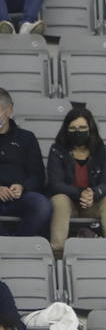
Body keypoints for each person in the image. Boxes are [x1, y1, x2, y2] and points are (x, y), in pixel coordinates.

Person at [46, 106, 106, 252]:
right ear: (66, 129)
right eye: (72, 128)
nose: (77, 132)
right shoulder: (57, 150)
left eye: (82, 127)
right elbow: (55, 184)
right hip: (69, 205)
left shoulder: (103, 151)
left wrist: (93, 193)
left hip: (92, 204)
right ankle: (58, 251)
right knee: (59, 199)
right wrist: (80, 193)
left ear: (90, 128)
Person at [0, 89, 49, 237]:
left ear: (9, 111)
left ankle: (16, 243)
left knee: (42, 205)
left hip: (19, 197)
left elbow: (38, 175)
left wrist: (23, 187)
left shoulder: (26, 138)